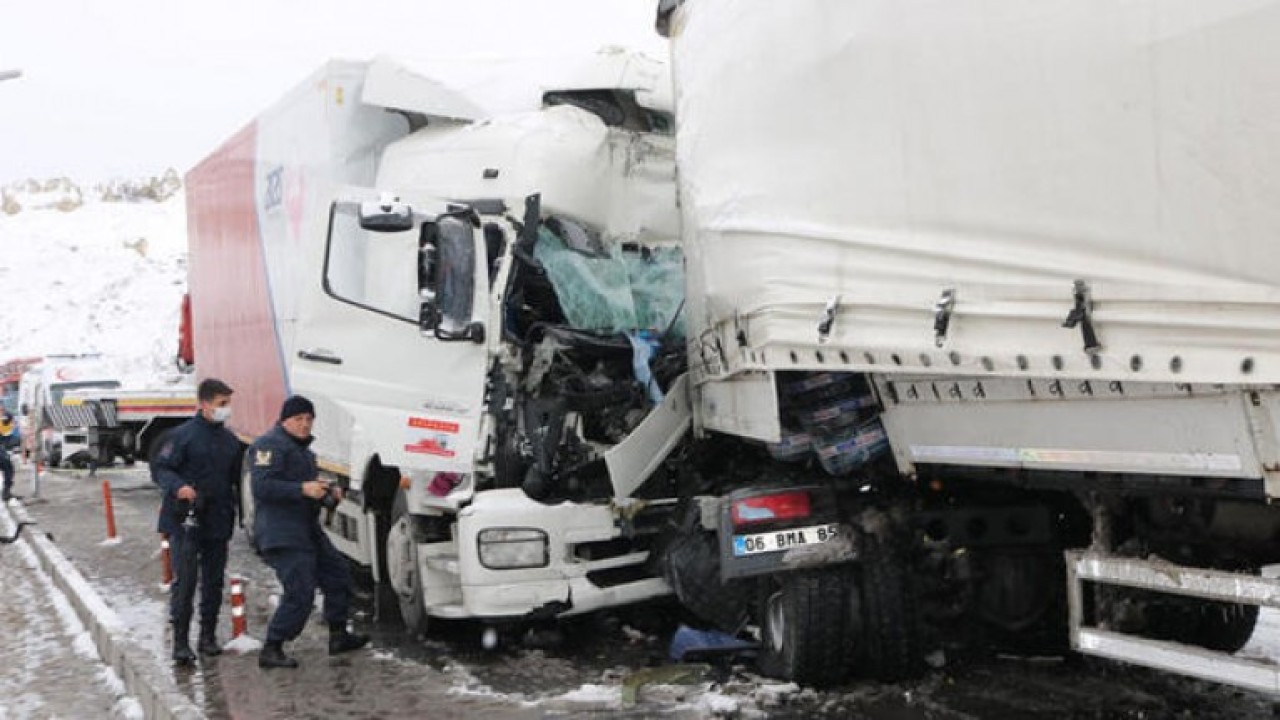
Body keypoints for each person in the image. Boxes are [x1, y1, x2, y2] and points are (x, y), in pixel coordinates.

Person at [251, 395, 368, 668]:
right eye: (298, 419)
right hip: (282, 532)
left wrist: (325, 492)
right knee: (300, 591)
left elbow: (304, 486)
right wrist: (302, 489)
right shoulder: (268, 445)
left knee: (338, 574)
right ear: (284, 420)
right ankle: (272, 647)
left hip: (306, 528)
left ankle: (338, 634)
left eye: (309, 419)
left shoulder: (303, 450)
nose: (305, 425)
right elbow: (262, 487)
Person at [151, 378, 241, 664]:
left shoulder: (230, 441)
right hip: (185, 522)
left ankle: (208, 637)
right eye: (221, 404)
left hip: (218, 520)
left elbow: (234, 480)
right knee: (186, 581)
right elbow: (161, 469)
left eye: (228, 404)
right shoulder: (182, 436)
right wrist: (180, 488)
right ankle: (180, 642)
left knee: (214, 582)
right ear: (204, 404)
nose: (226, 409)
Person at [0, 410, 18, 502]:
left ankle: (6, 492)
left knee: (9, 469)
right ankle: (6, 493)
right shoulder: (6, 427)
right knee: (9, 469)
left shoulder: (5, 425)